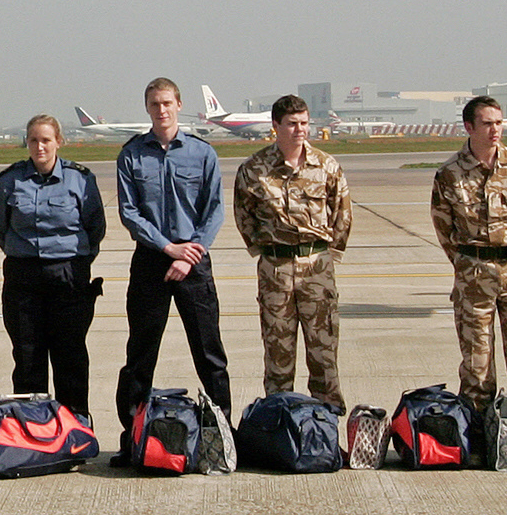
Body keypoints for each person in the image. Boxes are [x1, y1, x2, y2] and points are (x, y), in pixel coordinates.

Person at [431, 95, 507, 469]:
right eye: (487, 123)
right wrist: (470, 263)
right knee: (477, 363)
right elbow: (444, 227)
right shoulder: (450, 172)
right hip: (474, 275)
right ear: (469, 127)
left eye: (499, 122)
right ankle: (482, 438)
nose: (496, 129)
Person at [112, 78, 230, 463]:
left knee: (209, 352)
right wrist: (166, 247)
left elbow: (213, 210)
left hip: (192, 261)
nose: (160, 110)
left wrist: (187, 254)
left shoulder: (202, 153)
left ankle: (222, 437)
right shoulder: (131, 155)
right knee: (140, 354)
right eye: (153, 104)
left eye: (166, 102)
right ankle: (133, 436)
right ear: (147, 108)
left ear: (179, 104)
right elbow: (129, 212)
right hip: (150, 261)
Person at [232, 95, 351, 412]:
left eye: (304, 123)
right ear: (276, 126)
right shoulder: (254, 169)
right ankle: (278, 417)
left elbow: (342, 213)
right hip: (275, 267)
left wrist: (328, 255)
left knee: (323, 348)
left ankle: (326, 419)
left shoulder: (326, 166)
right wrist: (264, 250)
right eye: (292, 124)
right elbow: (244, 215)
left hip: (317, 266)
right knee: (278, 350)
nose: (300, 130)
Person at [0, 114, 105, 416]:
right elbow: (0, 227)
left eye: (46, 140)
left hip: (68, 275)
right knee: (28, 358)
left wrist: (74, 260)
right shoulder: (8, 180)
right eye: (33, 140)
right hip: (23, 277)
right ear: (26, 142)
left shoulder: (81, 179)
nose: (39, 147)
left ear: (58, 142)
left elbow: (95, 227)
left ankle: (75, 428)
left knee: (71, 357)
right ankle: (33, 431)